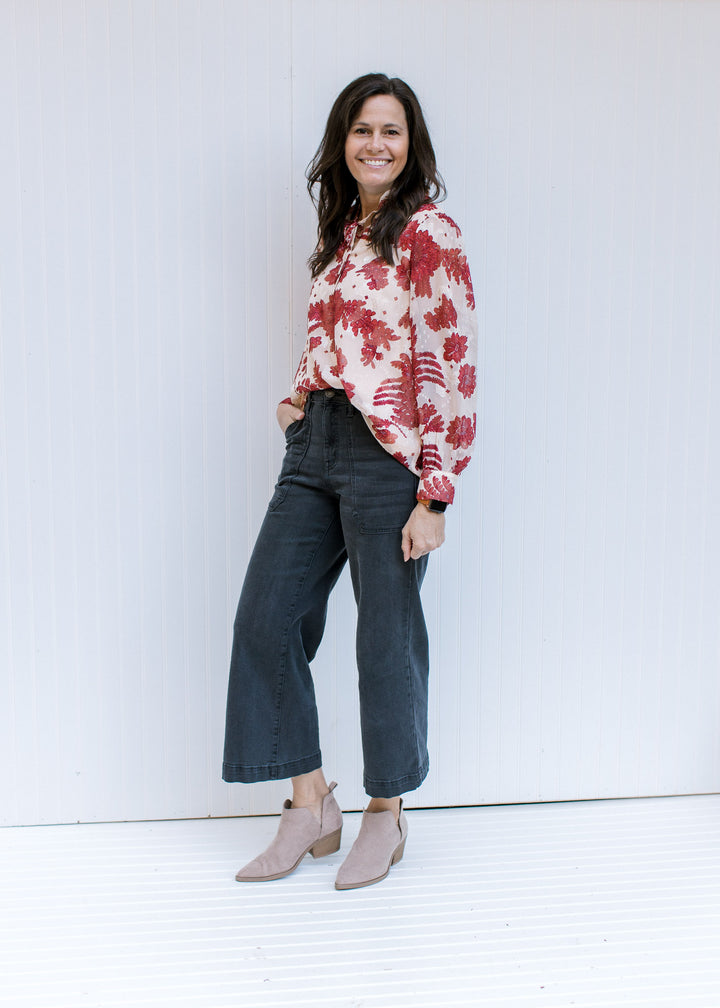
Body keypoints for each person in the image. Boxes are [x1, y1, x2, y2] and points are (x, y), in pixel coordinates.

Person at [222, 73, 477, 890]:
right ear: (342, 142)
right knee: (267, 619)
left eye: (391, 132)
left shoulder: (428, 231)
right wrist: (301, 394)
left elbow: (452, 361)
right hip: (315, 447)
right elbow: (341, 336)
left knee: (385, 641)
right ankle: (310, 804)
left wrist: (436, 492)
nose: (376, 144)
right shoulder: (340, 233)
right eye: (362, 130)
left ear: (412, 145)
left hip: (389, 458)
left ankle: (387, 811)